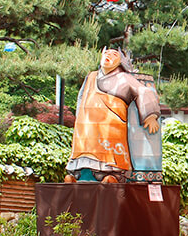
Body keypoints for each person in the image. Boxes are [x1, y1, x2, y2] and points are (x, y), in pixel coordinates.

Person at [66, 47, 162, 183]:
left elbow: (143, 91)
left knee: (110, 157)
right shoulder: (91, 76)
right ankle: (79, 177)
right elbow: (81, 99)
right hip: (87, 127)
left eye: (114, 54)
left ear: (120, 61)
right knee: (83, 153)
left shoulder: (125, 78)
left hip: (111, 125)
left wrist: (150, 115)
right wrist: (80, 119)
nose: (109, 56)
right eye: (106, 53)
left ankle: (111, 177)